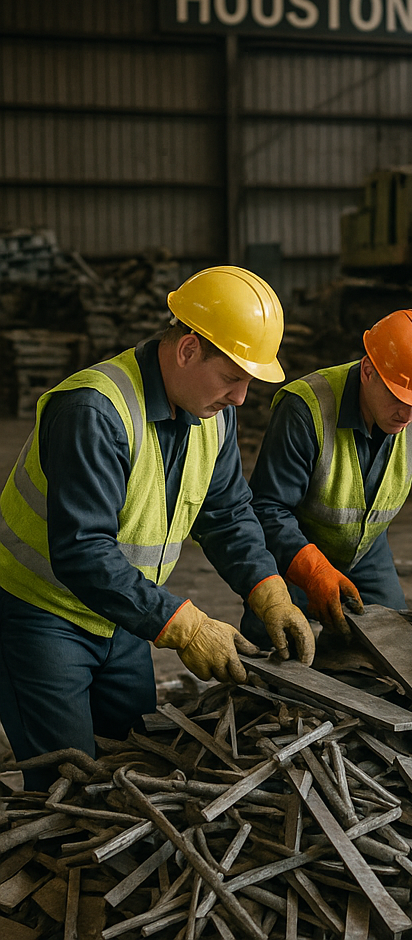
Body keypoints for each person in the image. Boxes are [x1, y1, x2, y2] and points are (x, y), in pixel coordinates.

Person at [0, 266, 316, 788]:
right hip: (41, 615)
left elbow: (228, 513)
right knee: (67, 788)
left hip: (122, 614)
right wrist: (187, 627)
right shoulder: (94, 410)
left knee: (136, 764)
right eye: (233, 377)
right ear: (188, 350)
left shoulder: (211, 411)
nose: (240, 398)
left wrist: (270, 591)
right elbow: (82, 550)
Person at [244, 308, 412, 649]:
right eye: (399, 398)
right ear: (368, 371)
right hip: (292, 550)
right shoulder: (304, 410)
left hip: (365, 551)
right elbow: (268, 508)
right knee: (272, 646)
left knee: (395, 647)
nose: (409, 416)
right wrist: (313, 572)